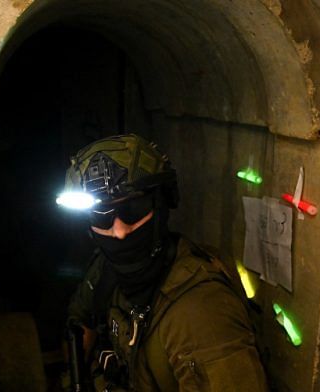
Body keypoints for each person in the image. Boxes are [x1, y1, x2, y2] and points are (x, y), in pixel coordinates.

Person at [60, 134, 268, 391]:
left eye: (133, 209)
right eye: (102, 215)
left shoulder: (200, 315)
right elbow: (80, 321)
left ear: (161, 204)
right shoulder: (105, 270)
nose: (120, 231)